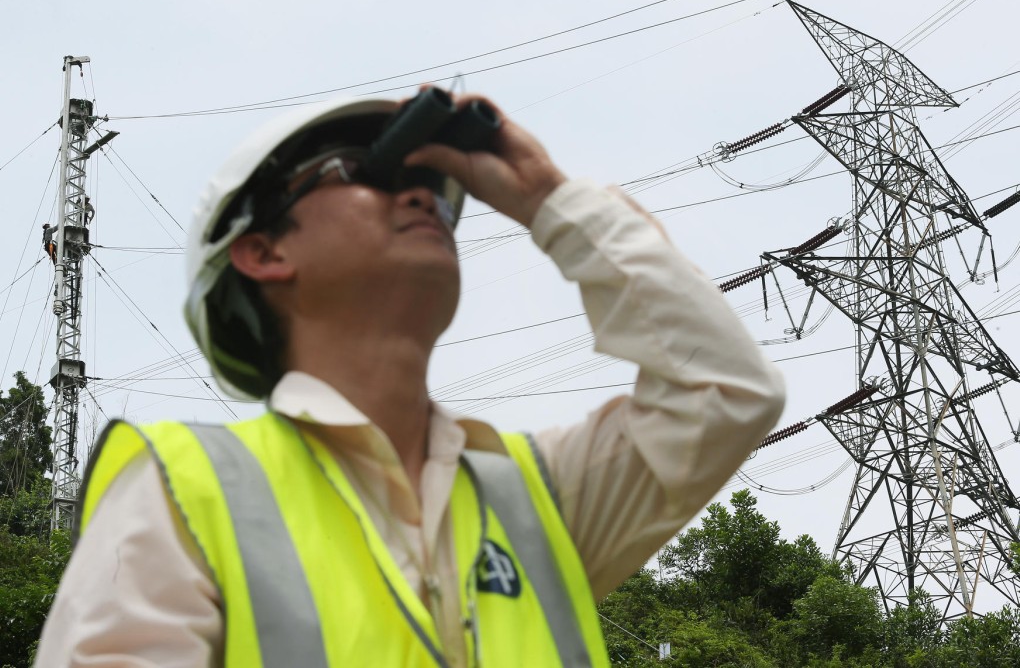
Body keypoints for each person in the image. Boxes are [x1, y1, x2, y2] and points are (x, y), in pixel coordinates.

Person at [36, 91, 785, 667]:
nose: (423, 193)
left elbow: (725, 392)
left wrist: (546, 197)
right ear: (262, 252)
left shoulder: (537, 500)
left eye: (433, 182)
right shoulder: (184, 489)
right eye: (368, 173)